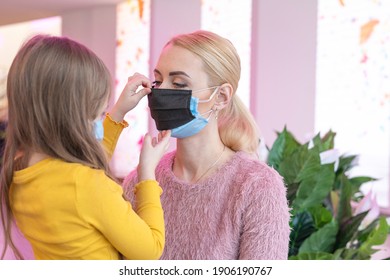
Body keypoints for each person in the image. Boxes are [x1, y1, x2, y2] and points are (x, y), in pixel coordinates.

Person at [123, 30, 291, 260]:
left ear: (221, 97)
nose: (161, 92)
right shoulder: (140, 180)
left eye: (179, 83)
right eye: (159, 81)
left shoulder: (257, 186)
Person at [0, 35, 171, 260]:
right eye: (98, 113)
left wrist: (118, 112)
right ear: (72, 114)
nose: (101, 120)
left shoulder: (18, 171)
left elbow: (78, 173)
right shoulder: (84, 185)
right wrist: (147, 173)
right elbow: (150, 249)